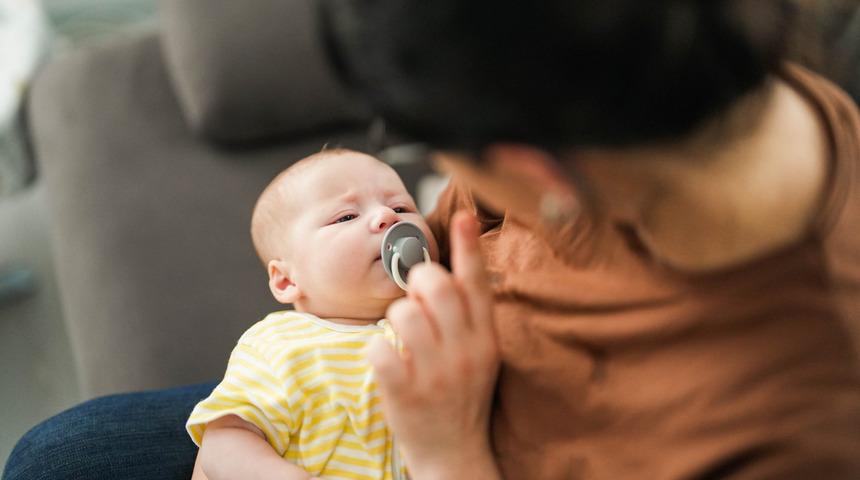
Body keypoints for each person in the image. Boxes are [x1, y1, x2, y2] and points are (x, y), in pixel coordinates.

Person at [4, 1, 860, 479]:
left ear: (545, 173)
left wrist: (446, 451)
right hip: (377, 399)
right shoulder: (680, 65)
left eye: (427, 154)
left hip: (447, 450)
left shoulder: (790, 431)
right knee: (61, 457)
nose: (398, 213)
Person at [187, 148, 437, 480]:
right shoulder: (279, 344)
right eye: (346, 217)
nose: (386, 217)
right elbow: (224, 441)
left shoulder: (439, 320)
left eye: (401, 207)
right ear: (288, 280)